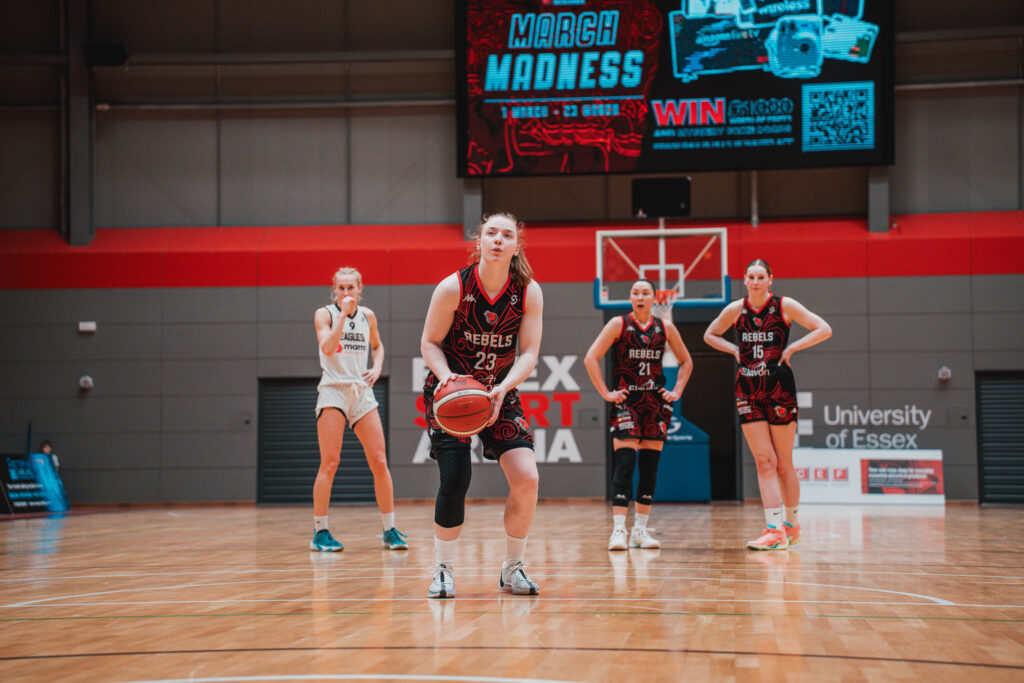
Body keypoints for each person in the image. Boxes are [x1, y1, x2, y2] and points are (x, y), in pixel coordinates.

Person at [420, 212, 543, 599]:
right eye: (491, 233)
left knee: (527, 478)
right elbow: (429, 343)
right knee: (455, 482)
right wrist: (447, 379)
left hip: (498, 391)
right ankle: (443, 568)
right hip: (453, 393)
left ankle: (512, 568)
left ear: (515, 246)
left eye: (507, 235)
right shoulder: (452, 286)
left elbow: (529, 353)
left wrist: (504, 387)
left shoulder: (528, 291)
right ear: (480, 241)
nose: (498, 240)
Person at [704, 259, 832, 550]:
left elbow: (824, 328)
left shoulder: (784, 306)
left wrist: (792, 347)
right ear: (746, 280)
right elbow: (710, 335)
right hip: (747, 388)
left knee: (784, 463)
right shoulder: (737, 309)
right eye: (751, 277)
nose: (756, 281)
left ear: (771, 279)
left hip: (779, 386)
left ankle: (791, 524)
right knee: (764, 461)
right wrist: (734, 349)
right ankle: (774, 529)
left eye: (761, 276)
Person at [584, 279, 693, 551]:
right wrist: (606, 393)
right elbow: (590, 358)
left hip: (655, 402)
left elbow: (687, 361)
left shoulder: (665, 327)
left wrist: (676, 390)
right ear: (630, 297)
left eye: (646, 293)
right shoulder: (618, 325)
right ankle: (619, 530)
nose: (640, 296)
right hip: (626, 399)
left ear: (654, 298)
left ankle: (640, 532)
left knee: (649, 468)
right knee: (624, 463)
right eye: (636, 292)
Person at [311, 267, 407, 552]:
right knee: (330, 462)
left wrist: (376, 368)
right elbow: (328, 348)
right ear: (334, 290)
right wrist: (342, 314)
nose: (346, 293)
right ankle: (320, 532)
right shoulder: (324, 314)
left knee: (379, 461)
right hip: (333, 391)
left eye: (350, 288)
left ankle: (390, 529)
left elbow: (377, 347)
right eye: (341, 288)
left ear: (359, 289)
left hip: (361, 392)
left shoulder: (368, 317)